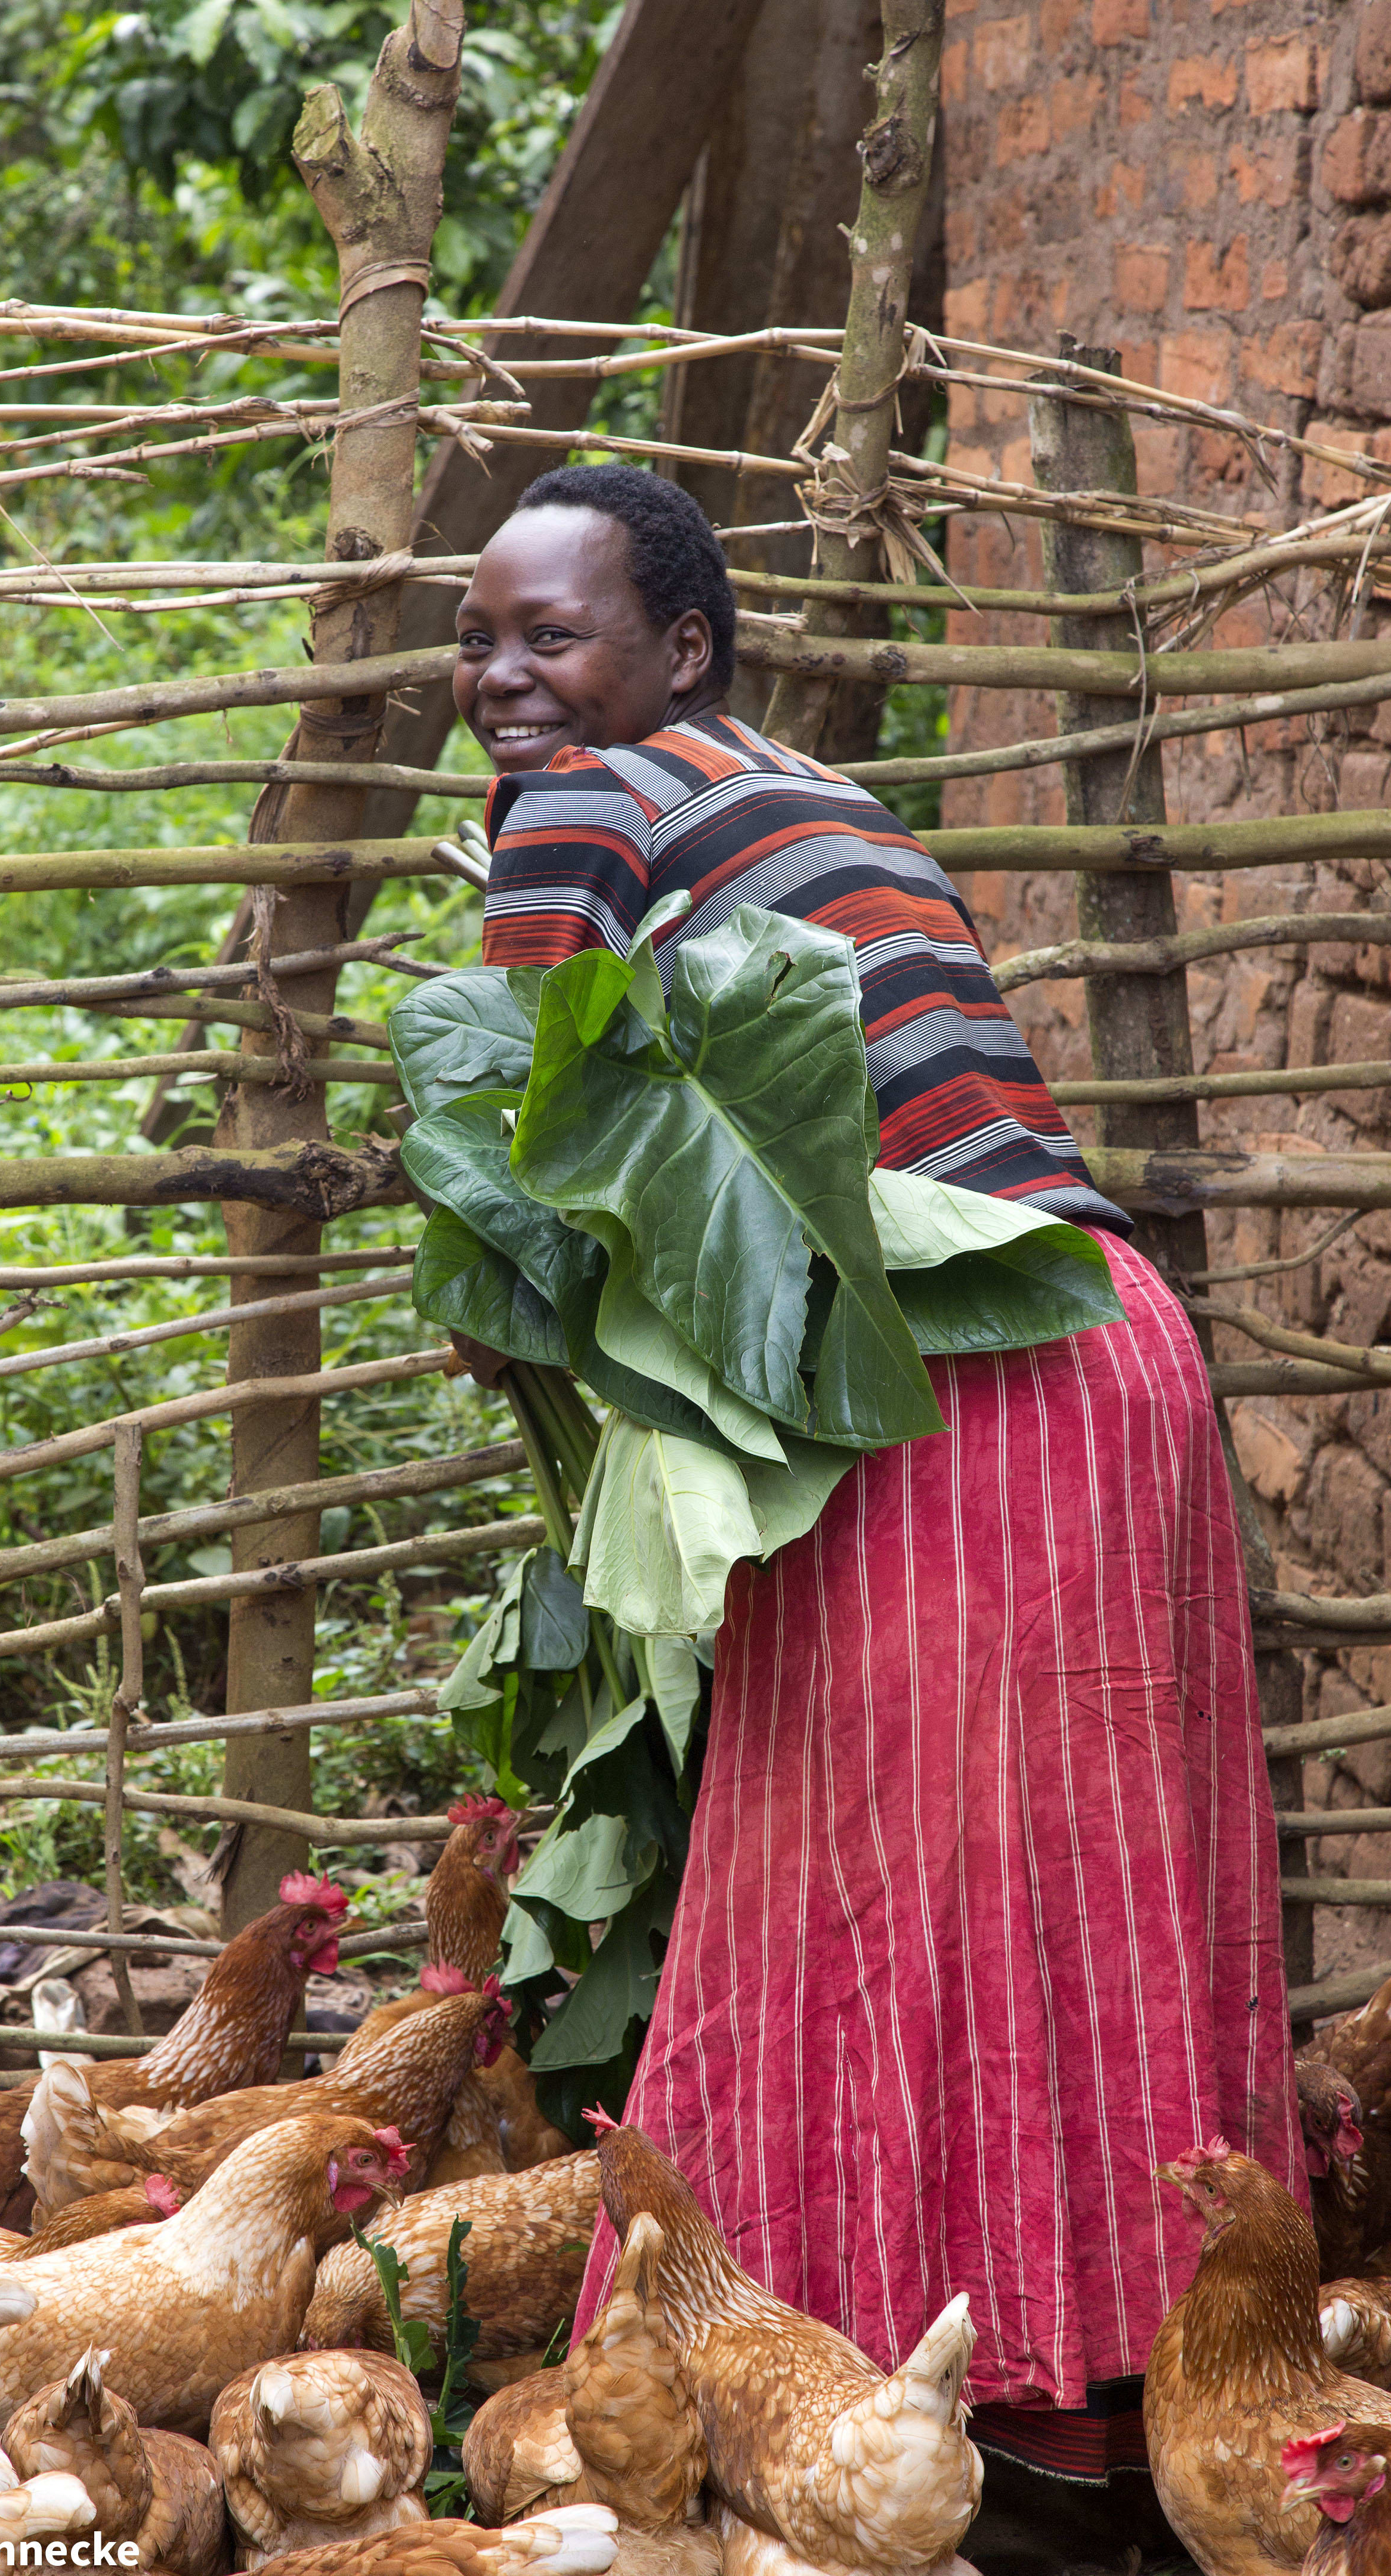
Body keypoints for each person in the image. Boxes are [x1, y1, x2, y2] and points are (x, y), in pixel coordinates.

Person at [450, 462, 1299, 2526]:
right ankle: (1093, 2429)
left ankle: (806, 2435)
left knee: (835, 1890)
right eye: (475, 639)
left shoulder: (597, 799)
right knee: (1080, 1887)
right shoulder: (794, 790)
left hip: (958, 1382)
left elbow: (512, 1158)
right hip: (1106, 1354)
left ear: (680, 649)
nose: (500, 681)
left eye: (545, 635)